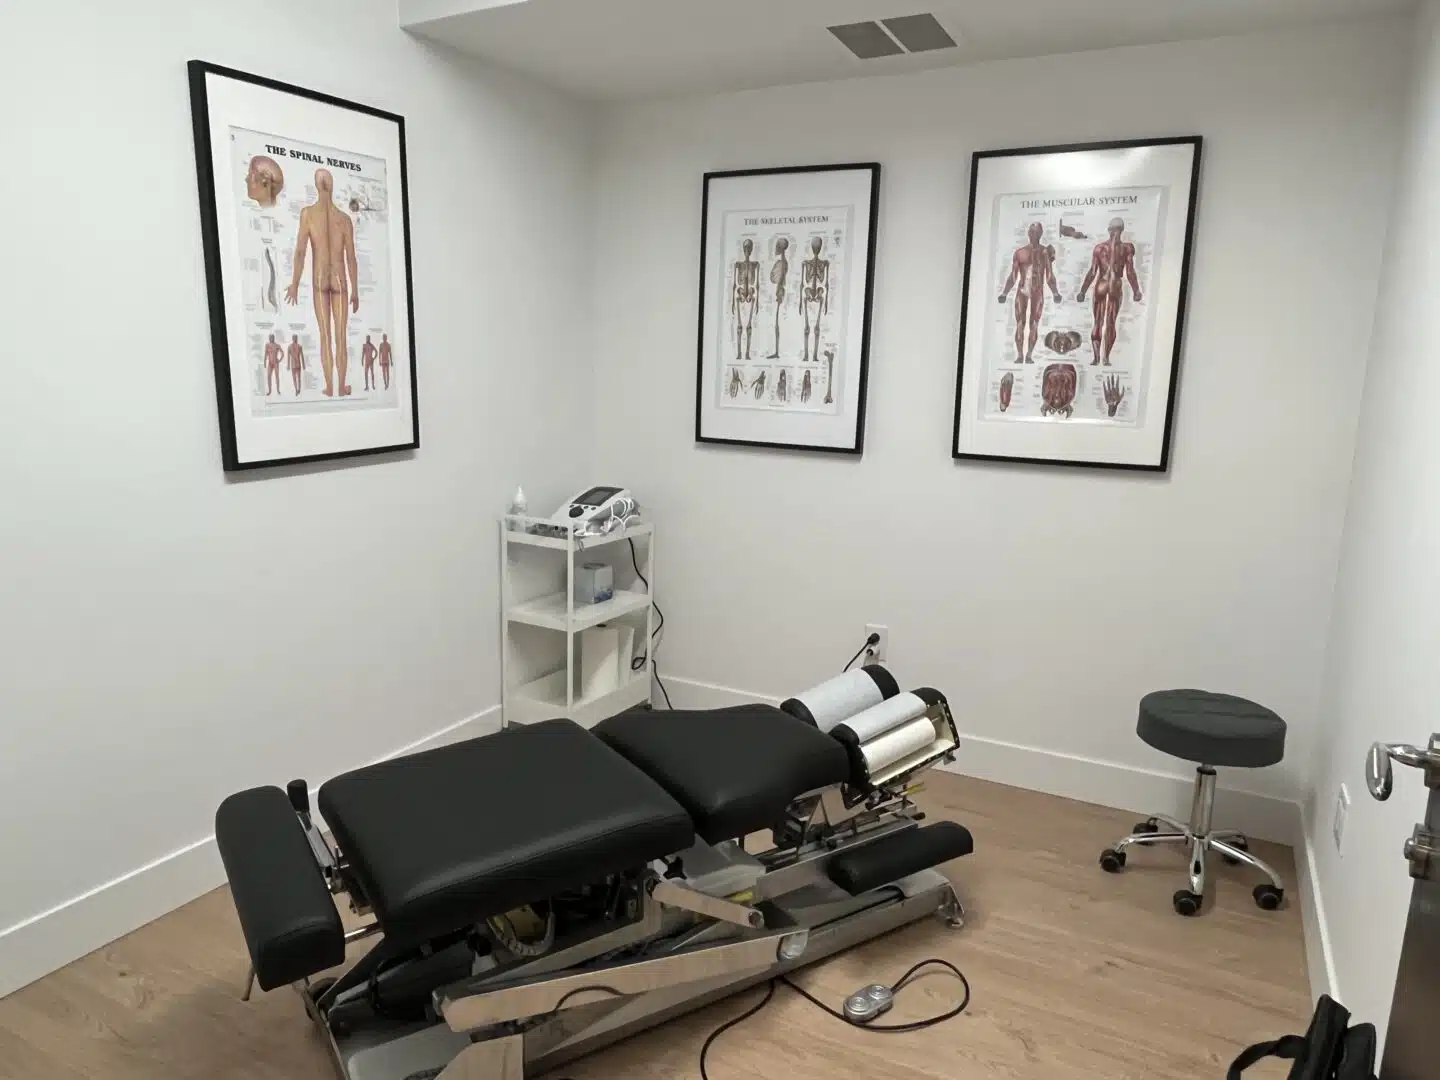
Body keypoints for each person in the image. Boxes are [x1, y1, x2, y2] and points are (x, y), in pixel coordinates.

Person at [285, 168, 358, 397]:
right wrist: (355, 289)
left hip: (319, 279)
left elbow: (300, 252)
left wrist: (295, 283)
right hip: (339, 279)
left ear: (317, 187)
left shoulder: (308, 214)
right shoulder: (344, 219)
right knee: (341, 335)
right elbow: (351, 259)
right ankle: (342, 387)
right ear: (332, 186)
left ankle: (329, 386)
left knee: (325, 335)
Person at [1077, 217, 1142, 366]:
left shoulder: (1100, 248)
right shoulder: (1127, 248)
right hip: (1116, 285)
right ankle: (1105, 358)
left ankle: (1096, 358)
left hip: (1102, 283)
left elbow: (1093, 272)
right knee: (1111, 322)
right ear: (1122, 230)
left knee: (1097, 322)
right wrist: (1136, 290)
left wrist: (1083, 291)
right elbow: (1130, 272)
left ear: (1109, 230)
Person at [997, 222, 1061, 364]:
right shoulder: (1036, 252)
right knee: (1025, 324)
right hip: (1029, 291)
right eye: (1033, 232)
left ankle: (1025, 356)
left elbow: (1049, 276)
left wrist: (1004, 294)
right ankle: (1024, 356)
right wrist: (1004, 293)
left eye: (1035, 232)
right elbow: (1014, 276)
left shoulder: (1039, 252)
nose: (1034, 235)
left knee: (1028, 324)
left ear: (1039, 234)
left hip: (1029, 291)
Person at [731, 239, 759, 361]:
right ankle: (739, 353)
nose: (747, 251)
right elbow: (734, 285)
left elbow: (757, 285)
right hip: (741, 294)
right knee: (739, 327)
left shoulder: (755, 264)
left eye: (749, 249)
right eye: (745, 249)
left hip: (751, 295)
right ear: (743, 250)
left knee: (748, 326)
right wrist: (733, 301)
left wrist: (757, 302)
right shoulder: (738, 265)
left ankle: (747, 353)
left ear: (751, 250)